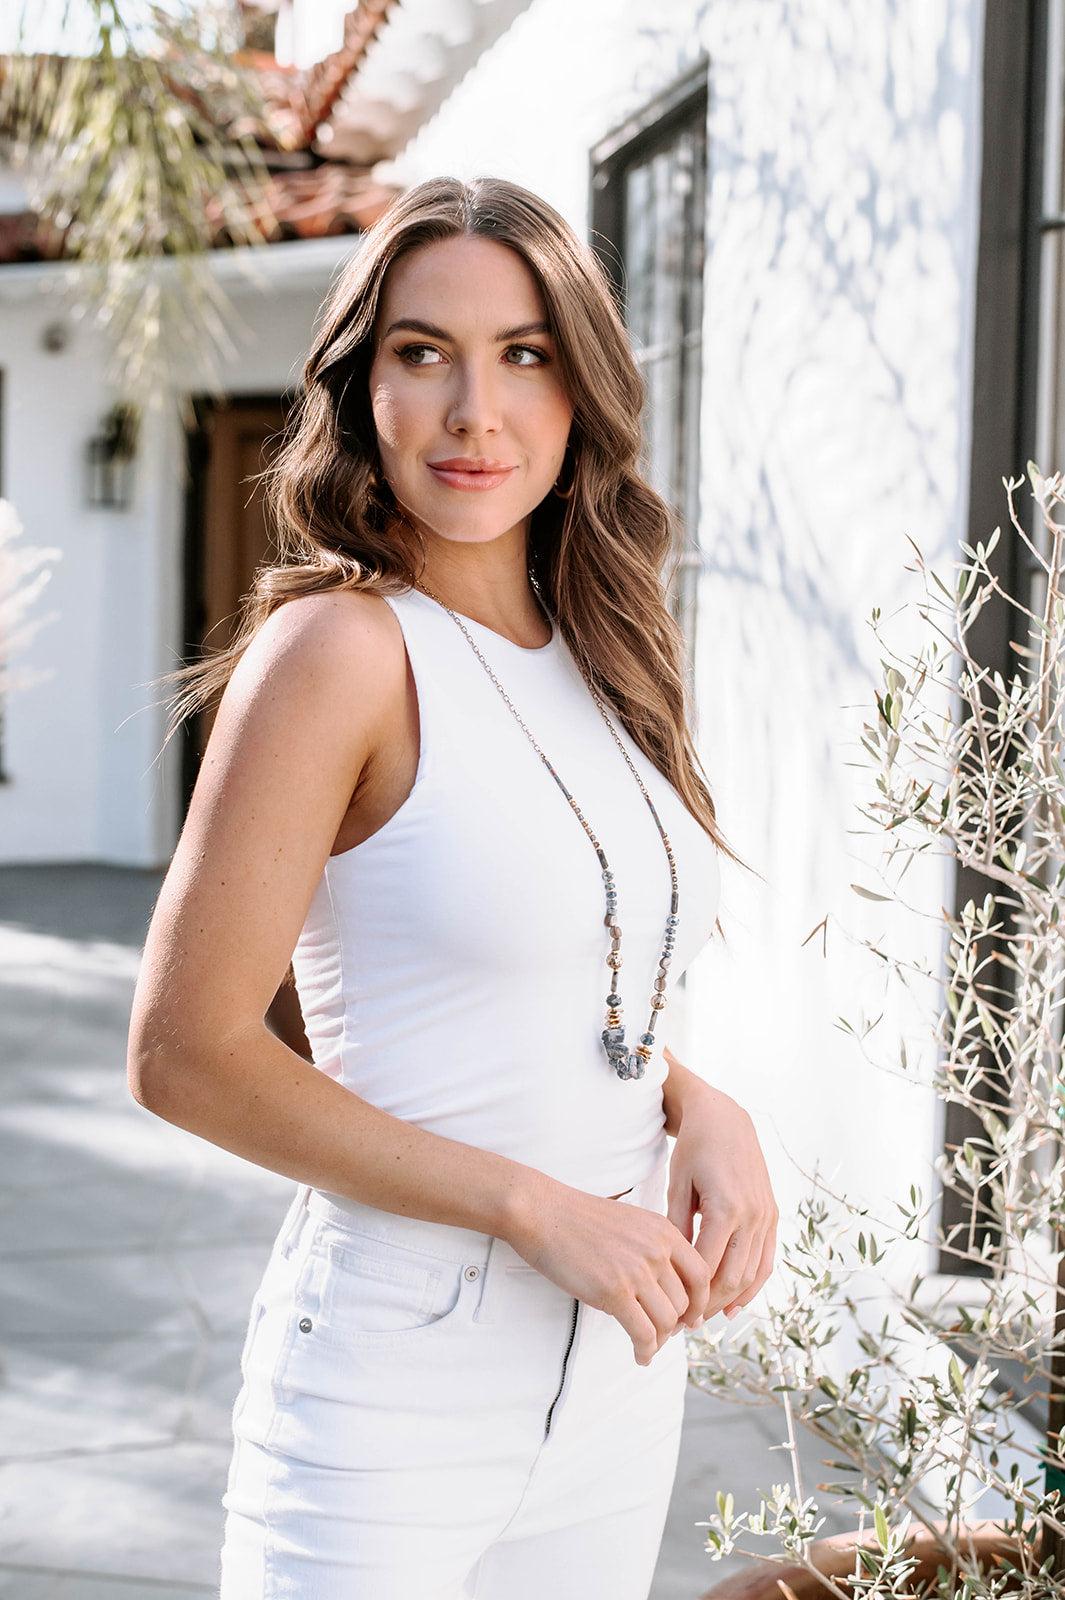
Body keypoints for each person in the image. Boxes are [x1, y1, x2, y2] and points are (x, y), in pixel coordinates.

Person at [126, 174, 778, 1600]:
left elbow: (558, 982)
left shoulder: (604, 656)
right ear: (364, 389)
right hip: (394, 1386)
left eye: (523, 354)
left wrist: (693, 1101)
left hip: (614, 1377)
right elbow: (185, 1056)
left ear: (579, 391)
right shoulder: (338, 653)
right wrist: (532, 1207)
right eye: (423, 354)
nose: (473, 411)